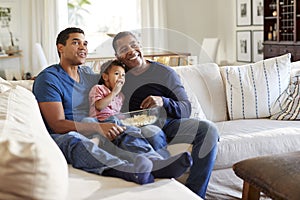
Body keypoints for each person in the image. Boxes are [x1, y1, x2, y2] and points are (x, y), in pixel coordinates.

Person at [32, 27, 192, 185]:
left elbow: (115, 80)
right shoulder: (49, 79)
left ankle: (157, 163)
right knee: (76, 142)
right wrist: (97, 128)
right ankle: (126, 171)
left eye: (85, 44)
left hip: (96, 126)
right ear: (60, 48)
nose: (83, 47)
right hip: (68, 133)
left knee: (124, 127)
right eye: (76, 43)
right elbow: (57, 124)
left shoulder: (87, 73)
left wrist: (144, 69)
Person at [112, 31, 219, 198]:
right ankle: (166, 192)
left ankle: (195, 195)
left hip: (170, 123)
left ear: (141, 46)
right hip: (141, 126)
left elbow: (185, 108)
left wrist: (163, 101)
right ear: (117, 56)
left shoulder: (164, 73)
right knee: (152, 134)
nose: (131, 50)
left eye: (134, 45)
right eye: (124, 49)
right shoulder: (118, 76)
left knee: (209, 130)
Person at [88, 59, 170, 158]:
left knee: (126, 124)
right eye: (117, 74)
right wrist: (114, 93)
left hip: (117, 124)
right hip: (102, 122)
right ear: (105, 77)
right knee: (115, 120)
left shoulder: (121, 96)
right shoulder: (99, 88)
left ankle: (163, 159)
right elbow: (99, 106)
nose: (120, 78)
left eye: (123, 75)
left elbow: (118, 112)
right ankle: (97, 139)